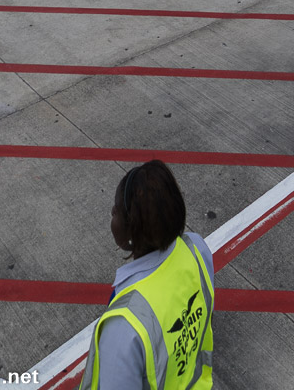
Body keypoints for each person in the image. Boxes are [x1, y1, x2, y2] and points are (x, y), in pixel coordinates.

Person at [80, 160, 214, 390]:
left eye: (117, 211)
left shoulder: (124, 327)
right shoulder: (197, 250)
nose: (112, 212)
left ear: (133, 229)